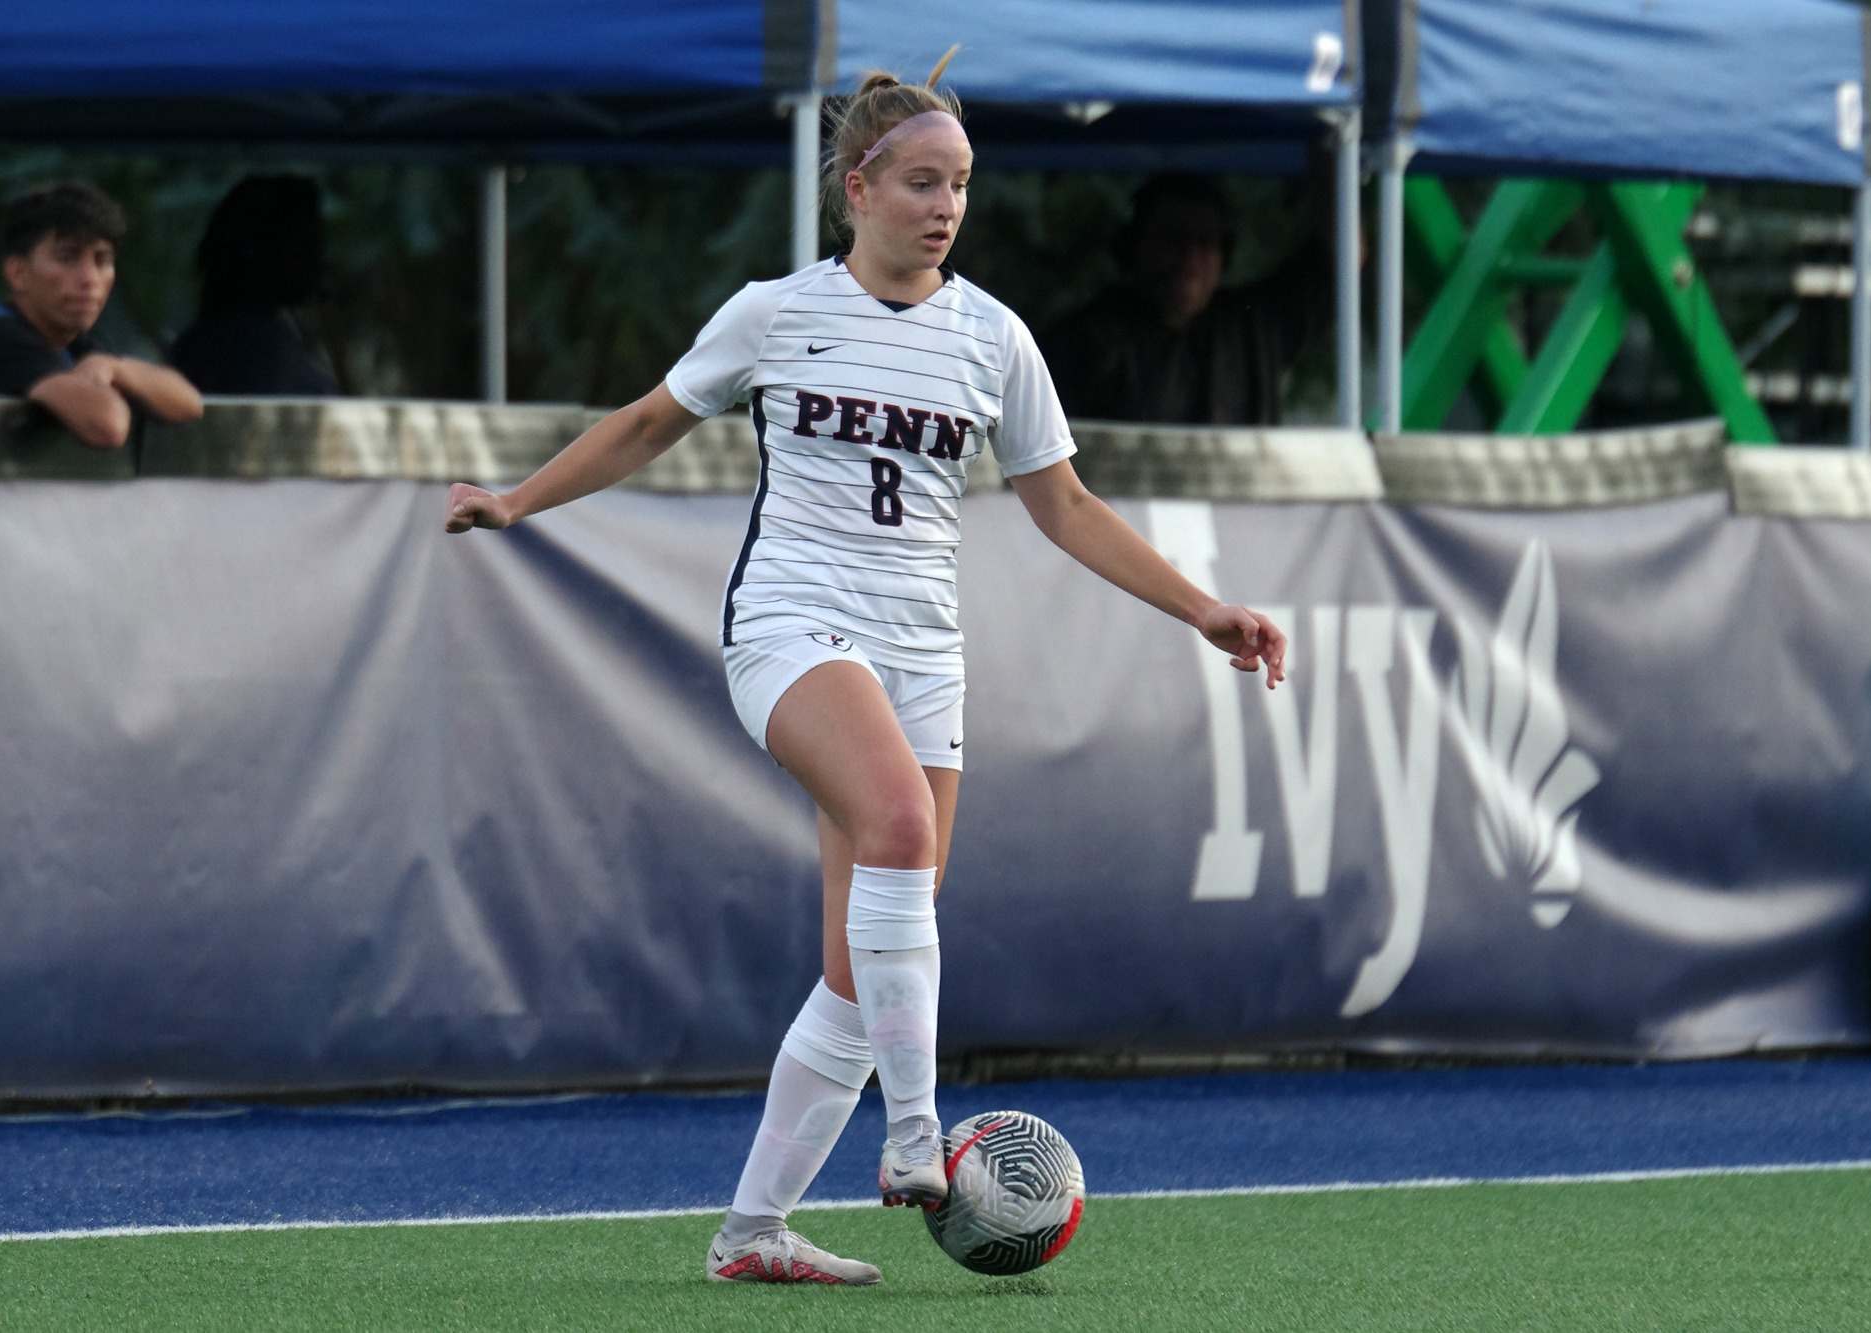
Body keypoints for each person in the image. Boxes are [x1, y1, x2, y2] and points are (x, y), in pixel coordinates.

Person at [443, 52, 1287, 1287]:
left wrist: (1203, 609)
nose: (944, 206)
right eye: (919, 182)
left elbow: (1064, 506)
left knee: (863, 963)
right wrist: (517, 503)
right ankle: (913, 1135)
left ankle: (752, 1230)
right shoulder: (775, 312)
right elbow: (641, 422)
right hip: (790, 625)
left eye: (959, 185)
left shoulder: (993, 337)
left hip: (922, 653)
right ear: (856, 189)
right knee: (896, 830)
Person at [1041, 172, 1332, 425]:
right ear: (1132, 246)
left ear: (1225, 254)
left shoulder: (1256, 327)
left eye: (1205, 241)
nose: (1190, 256)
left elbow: (1341, 257)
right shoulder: (1081, 343)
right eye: (1172, 238)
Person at [0, 181, 203, 447]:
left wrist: (114, 367)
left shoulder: (70, 340)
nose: (90, 279)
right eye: (67, 258)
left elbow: (190, 403)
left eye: (102, 260)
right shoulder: (3, 335)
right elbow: (108, 425)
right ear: (18, 273)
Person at [171, 175, 341, 397]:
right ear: (255, 254)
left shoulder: (204, 345)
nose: (319, 260)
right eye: (304, 245)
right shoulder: (257, 348)